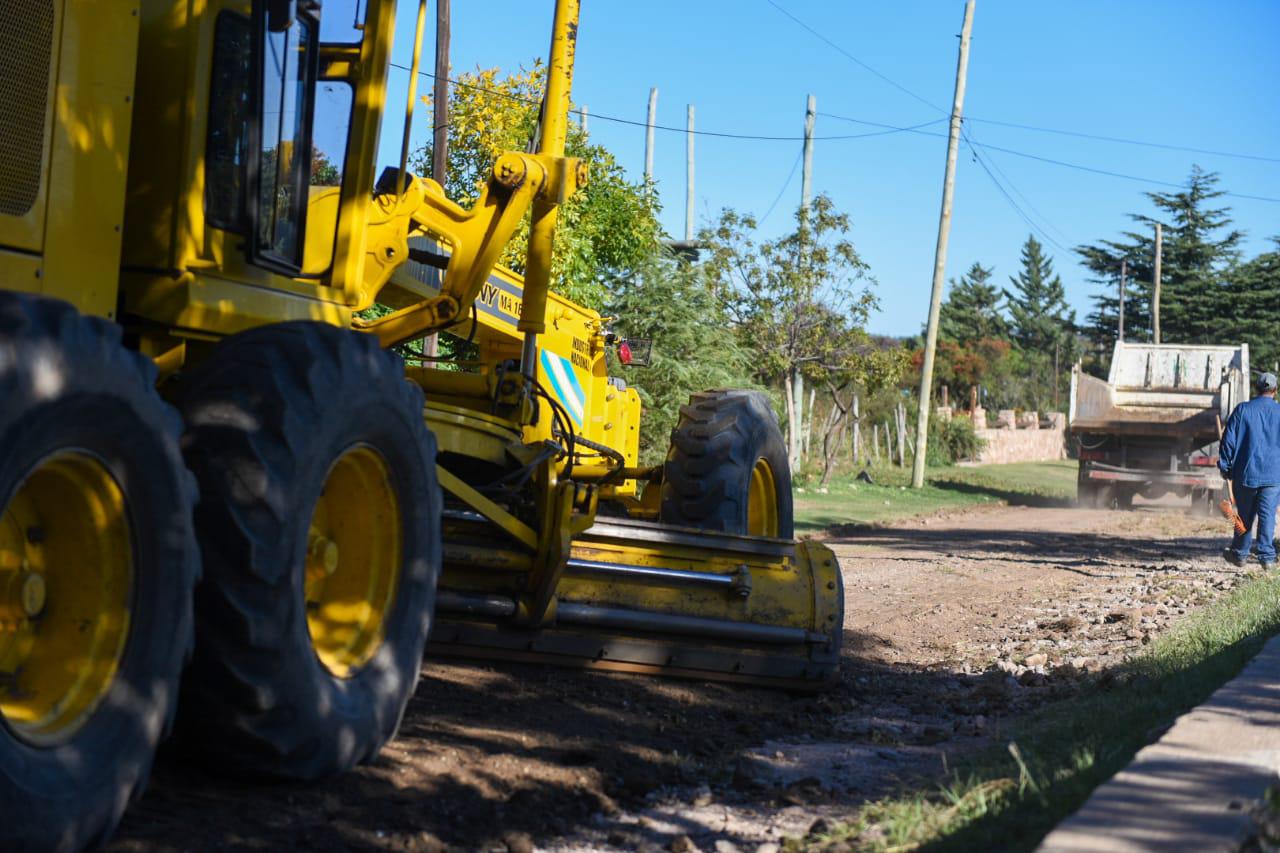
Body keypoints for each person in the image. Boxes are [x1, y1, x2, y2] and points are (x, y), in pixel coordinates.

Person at [1218, 371, 1280, 569]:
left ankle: (1240, 554)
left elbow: (1228, 441)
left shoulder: (1242, 410)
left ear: (1256, 388)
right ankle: (1267, 557)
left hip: (1246, 473)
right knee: (1268, 515)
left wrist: (1225, 466)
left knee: (1243, 516)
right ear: (1275, 391)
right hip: (1273, 475)